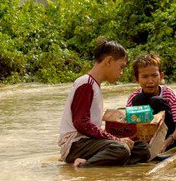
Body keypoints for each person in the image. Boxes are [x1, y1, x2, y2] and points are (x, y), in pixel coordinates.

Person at [58, 39, 151, 167]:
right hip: (76, 145)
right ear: (109, 61)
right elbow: (81, 123)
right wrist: (116, 139)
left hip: (87, 142)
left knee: (142, 149)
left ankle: (104, 161)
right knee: (121, 149)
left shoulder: (93, 84)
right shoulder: (86, 84)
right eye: (121, 67)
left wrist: (116, 139)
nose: (121, 72)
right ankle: (84, 165)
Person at [126, 53, 176, 149]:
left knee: (156, 101)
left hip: (171, 137)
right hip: (146, 137)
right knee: (139, 99)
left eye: (154, 75)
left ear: (161, 76)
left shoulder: (168, 94)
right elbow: (129, 126)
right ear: (137, 79)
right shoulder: (133, 97)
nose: (150, 81)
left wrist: (167, 141)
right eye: (145, 77)